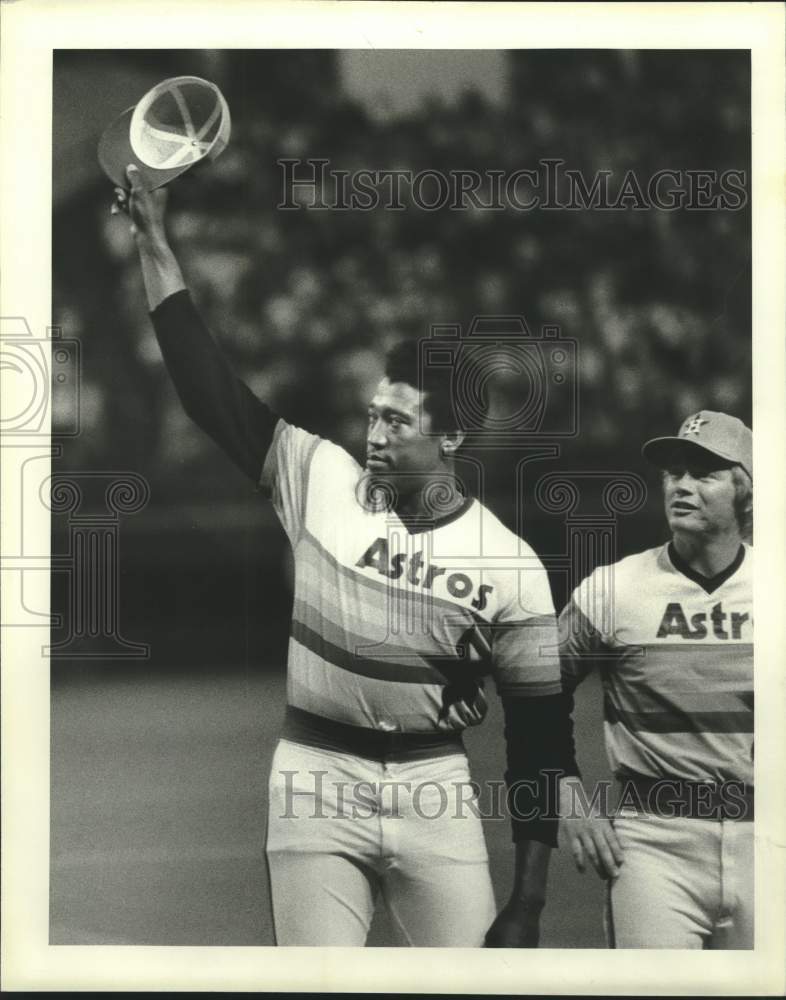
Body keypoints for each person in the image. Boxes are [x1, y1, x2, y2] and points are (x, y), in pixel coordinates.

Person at [115, 165, 577, 947]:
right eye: (373, 414)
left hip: (437, 788)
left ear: (452, 439)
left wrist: (528, 899)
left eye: (399, 421)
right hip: (315, 774)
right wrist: (156, 244)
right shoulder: (320, 475)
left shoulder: (512, 564)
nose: (376, 433)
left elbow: (538, 744)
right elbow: (208, 391)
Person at [558, 410, 753, 949]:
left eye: (704, 473)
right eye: (674, 473)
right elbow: (535, 692)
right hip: (653, 842)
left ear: (744, 491)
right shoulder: (613, 590)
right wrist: (567, 793)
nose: (682, 485)